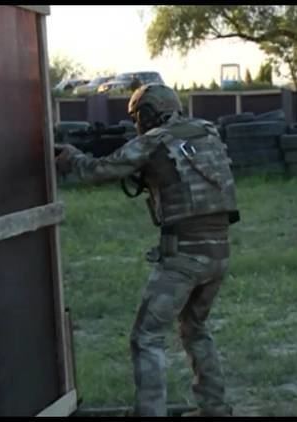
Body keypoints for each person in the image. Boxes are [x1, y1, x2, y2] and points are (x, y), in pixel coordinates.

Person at [55, 83, 239, 417]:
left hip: (184, 253)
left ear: (149, 114)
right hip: (220, 252)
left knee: (147, 338)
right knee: (196, 329)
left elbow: (99, 170)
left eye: (139, 117)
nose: (138, 124)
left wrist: (72, 158)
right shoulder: (207, 132)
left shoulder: (155, 141)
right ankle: (215, 409)